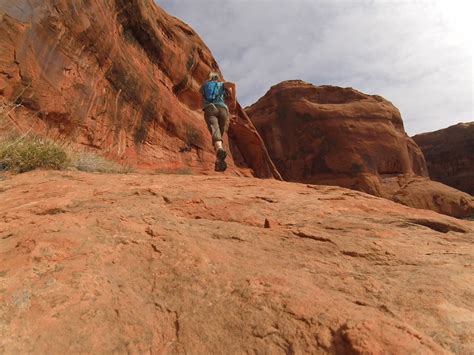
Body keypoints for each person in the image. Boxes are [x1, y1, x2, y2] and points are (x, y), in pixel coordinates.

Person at [201, 72, 236, 172]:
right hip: (223, 110)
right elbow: (233, 85)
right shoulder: (221, 84)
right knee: (219, 135)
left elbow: (201, 99)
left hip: (210, 109)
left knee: (215, 131)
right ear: (217, 78)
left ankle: (219, 150)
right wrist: (233, 99)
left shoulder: (204, 86)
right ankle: (218, 160)